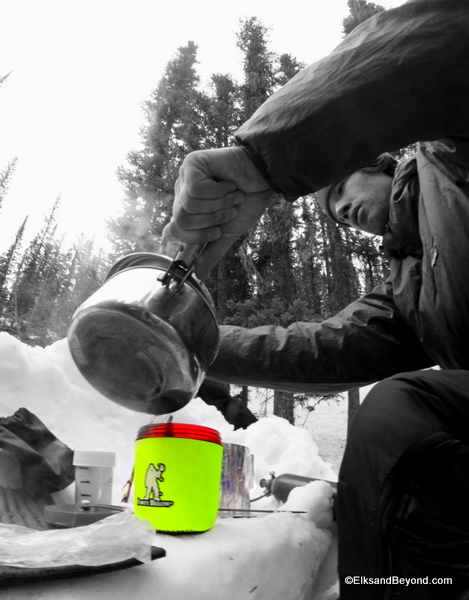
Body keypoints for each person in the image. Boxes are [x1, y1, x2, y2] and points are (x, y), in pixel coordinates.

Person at [164, 0, 469, 598]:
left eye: (342, 189)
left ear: (382, 166)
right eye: (331, 212)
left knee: (403, 409)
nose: (344, 212)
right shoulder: (411, 290)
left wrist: (265, 159)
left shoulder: (451, 155)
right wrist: (198, 342)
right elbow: (325, 348)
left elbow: (447, 38)